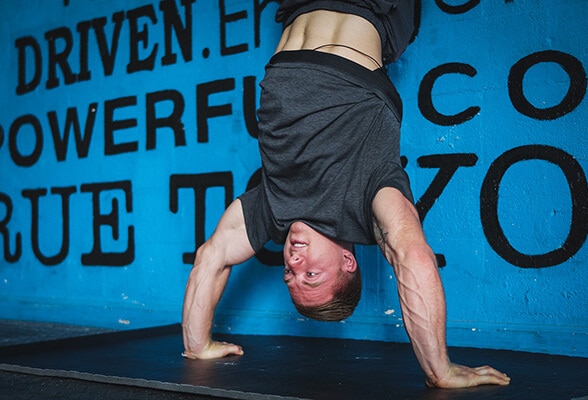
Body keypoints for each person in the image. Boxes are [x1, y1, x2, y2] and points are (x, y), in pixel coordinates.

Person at [182, 0, 511, 389]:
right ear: (347, 261)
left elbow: (213, 257)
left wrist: (197, 345)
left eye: (289, 273)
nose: (293, 260)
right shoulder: (367, 203)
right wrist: (440, 371)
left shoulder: (274, 210)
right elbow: (411, 255)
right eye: (311, 273)